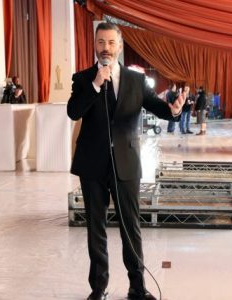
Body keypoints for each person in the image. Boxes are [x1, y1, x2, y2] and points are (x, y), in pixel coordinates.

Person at [67, 22, 184, 300]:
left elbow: (159, 107)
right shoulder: (83, 79)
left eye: (110, 42)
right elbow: (73, 112)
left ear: (119, 46)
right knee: (96, 227)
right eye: (100, 42)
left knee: (130, 226)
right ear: (95, 46)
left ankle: (137, 288)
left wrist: (174, 111)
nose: (105, 48)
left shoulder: (136, 80)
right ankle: (98, 289)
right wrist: (96, 85)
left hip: (126, 163)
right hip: (92, 163)